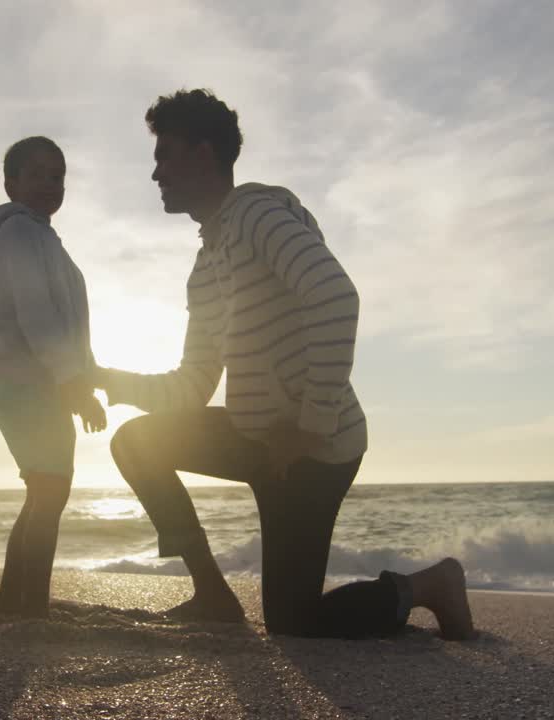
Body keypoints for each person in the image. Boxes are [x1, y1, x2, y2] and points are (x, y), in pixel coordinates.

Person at [93, 90, 474, 639]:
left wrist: (308, 426)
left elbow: (336, 297)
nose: (156, 173)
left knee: (295, 623)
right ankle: (212, 595)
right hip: (259, 440)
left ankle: (428, 586)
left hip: (315, 448)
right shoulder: (205, 267)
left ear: (204, 154)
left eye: (164, 155)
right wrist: (116, 382)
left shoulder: (257, 216)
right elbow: (195, 383)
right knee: (135, 442)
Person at [0, 136, 107, 619]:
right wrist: (75, 384)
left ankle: (15, 604)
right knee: (50, 492)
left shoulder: (44, 238)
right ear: (10, 184)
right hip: (25, 387)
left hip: (48, 387)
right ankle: (29, 607)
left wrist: (82, 382)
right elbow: (38, 317)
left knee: (44, 492)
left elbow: (70, 322)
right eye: (36, 175)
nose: (49, 185)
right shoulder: (18, 234)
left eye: (57, 176)